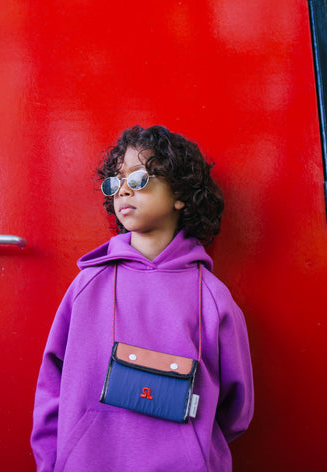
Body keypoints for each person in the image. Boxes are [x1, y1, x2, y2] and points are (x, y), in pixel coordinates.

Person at [31, 125, 254, 472]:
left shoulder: (212, 298)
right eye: (115, 182)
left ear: (180, 195)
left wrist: (191, 446)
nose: (122, 191)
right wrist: (52, 463)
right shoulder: (88, 284)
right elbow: (51, 383)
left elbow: (236, 409)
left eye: (138, 179)